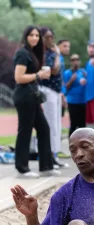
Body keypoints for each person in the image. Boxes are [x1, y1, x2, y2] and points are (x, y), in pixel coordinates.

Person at [12, 25, 60, 178]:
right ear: (26, 36)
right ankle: (22, 168)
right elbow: (19, 78)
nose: (34, 38)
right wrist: (38, 75)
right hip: (24, 96)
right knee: (25, 131)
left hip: (33, 96)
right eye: (31, 35)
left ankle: (46, 166)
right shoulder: (22, 53)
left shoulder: (32, 53)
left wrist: (40, 75)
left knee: (44, 129)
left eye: (37, 36)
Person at [39, 27, 68, 169]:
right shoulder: (44, 54)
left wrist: (62, 92)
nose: (50, 39)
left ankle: (54, 155)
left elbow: (60, 74)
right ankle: (49, 157)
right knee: (50, 125)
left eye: (52, 36)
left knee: (57, 125)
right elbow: (53, 71)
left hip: (56, 91)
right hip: (47, 90)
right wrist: (57, 55)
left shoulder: (51, 52)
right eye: (47, 37)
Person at [63, 54, 87, 137]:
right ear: (71, 62)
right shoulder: (67, 73)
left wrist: (87, 77)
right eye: (73, 60)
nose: (75, 62)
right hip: (72, 101)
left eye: (77, 60)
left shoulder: (83, 72)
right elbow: (66, 87)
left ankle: (83, 142)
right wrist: (71, 80)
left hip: (83, 101)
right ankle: (72, 142)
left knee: (83, 124)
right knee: (73, 123)